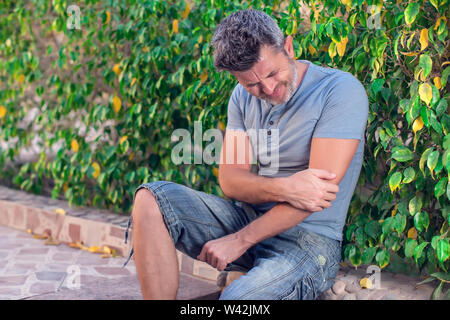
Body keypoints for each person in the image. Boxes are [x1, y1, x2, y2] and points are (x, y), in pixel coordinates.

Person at [124, 9, 369, 300]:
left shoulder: (339, 91)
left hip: (308, 243)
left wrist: (239, 241)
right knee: (151, 200)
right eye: (252, 84)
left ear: (288, 48)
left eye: (272, 73)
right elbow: (231, 180)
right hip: (248, 221)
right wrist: (287, 187)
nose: (267, 88)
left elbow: (314, 198)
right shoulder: (241, 98)